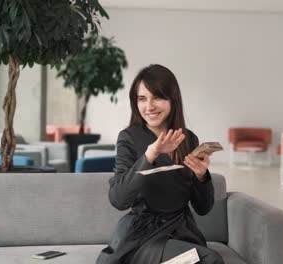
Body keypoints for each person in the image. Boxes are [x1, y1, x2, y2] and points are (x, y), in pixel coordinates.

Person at [96, 64, 225, 264]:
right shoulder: (129, 138)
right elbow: (118, 199)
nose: (149, 106)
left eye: (157, 97)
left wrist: (201, 177)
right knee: (210, 260)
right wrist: (150, 155)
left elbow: (203, 208)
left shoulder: (189, 139)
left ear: (172, 100)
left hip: (181, 232)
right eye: (142, 99)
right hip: (142, 236)